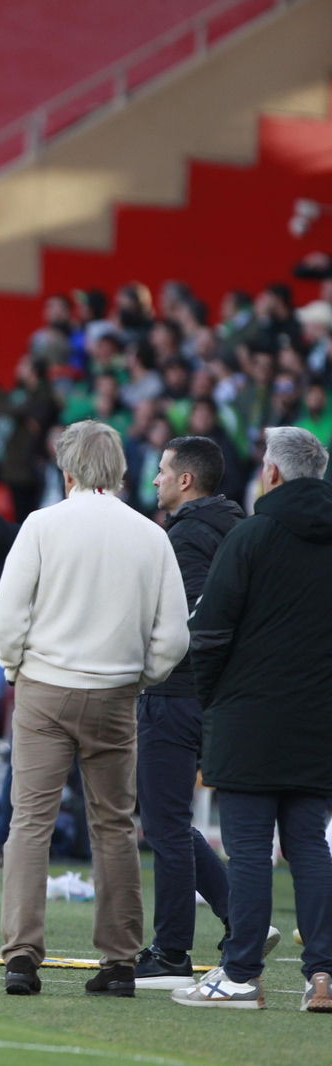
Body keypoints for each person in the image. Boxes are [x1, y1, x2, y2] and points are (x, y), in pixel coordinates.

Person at [0, 420, 189, 998]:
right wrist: (139, 676)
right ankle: (121, 961)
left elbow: (7, 615)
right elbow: (174, 636)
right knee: (115, 827)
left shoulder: (42, 525)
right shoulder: (151, 535)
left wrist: (14, 668)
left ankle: (21, 957)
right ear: (122, 471)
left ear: (68, 470)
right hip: (116, 695)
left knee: (29, 824)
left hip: (44, 688)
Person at [177, 427, 332, 1012]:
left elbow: (208, 632)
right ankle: (325, 974)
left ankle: (240, 973)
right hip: (318, 719)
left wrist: (215, 697)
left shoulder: (252, 535)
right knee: (309, 847)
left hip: (248, 714)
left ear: (272, 474)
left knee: (247, 848)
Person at [134, 436, 245, 989]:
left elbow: (195, 620)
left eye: (160, 471)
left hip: (176, 693)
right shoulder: (233, 527)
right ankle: (240, 916)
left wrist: (153, 663)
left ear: (185, 481)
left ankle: (171, 950)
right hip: (215, 698)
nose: (153, 480)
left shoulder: (188, 536)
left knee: (164, 824)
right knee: (169, 820)